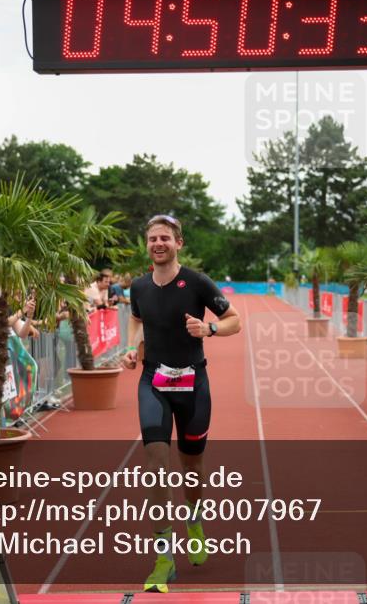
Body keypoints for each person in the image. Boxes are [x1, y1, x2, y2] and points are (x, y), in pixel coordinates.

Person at [121, 214, 240, 593]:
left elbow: (234, 319)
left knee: (192, 466)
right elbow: (137, 321)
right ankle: (163, 555)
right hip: (153, 381)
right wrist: (131, 347)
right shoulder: (138, 287)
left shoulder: (198, 283)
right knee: (155, 463)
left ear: (179, 244)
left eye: (165, 238)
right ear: (147, 245)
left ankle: (194, 519)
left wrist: (209, 328)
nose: (158, 244)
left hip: (194, 383)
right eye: (153, 238)